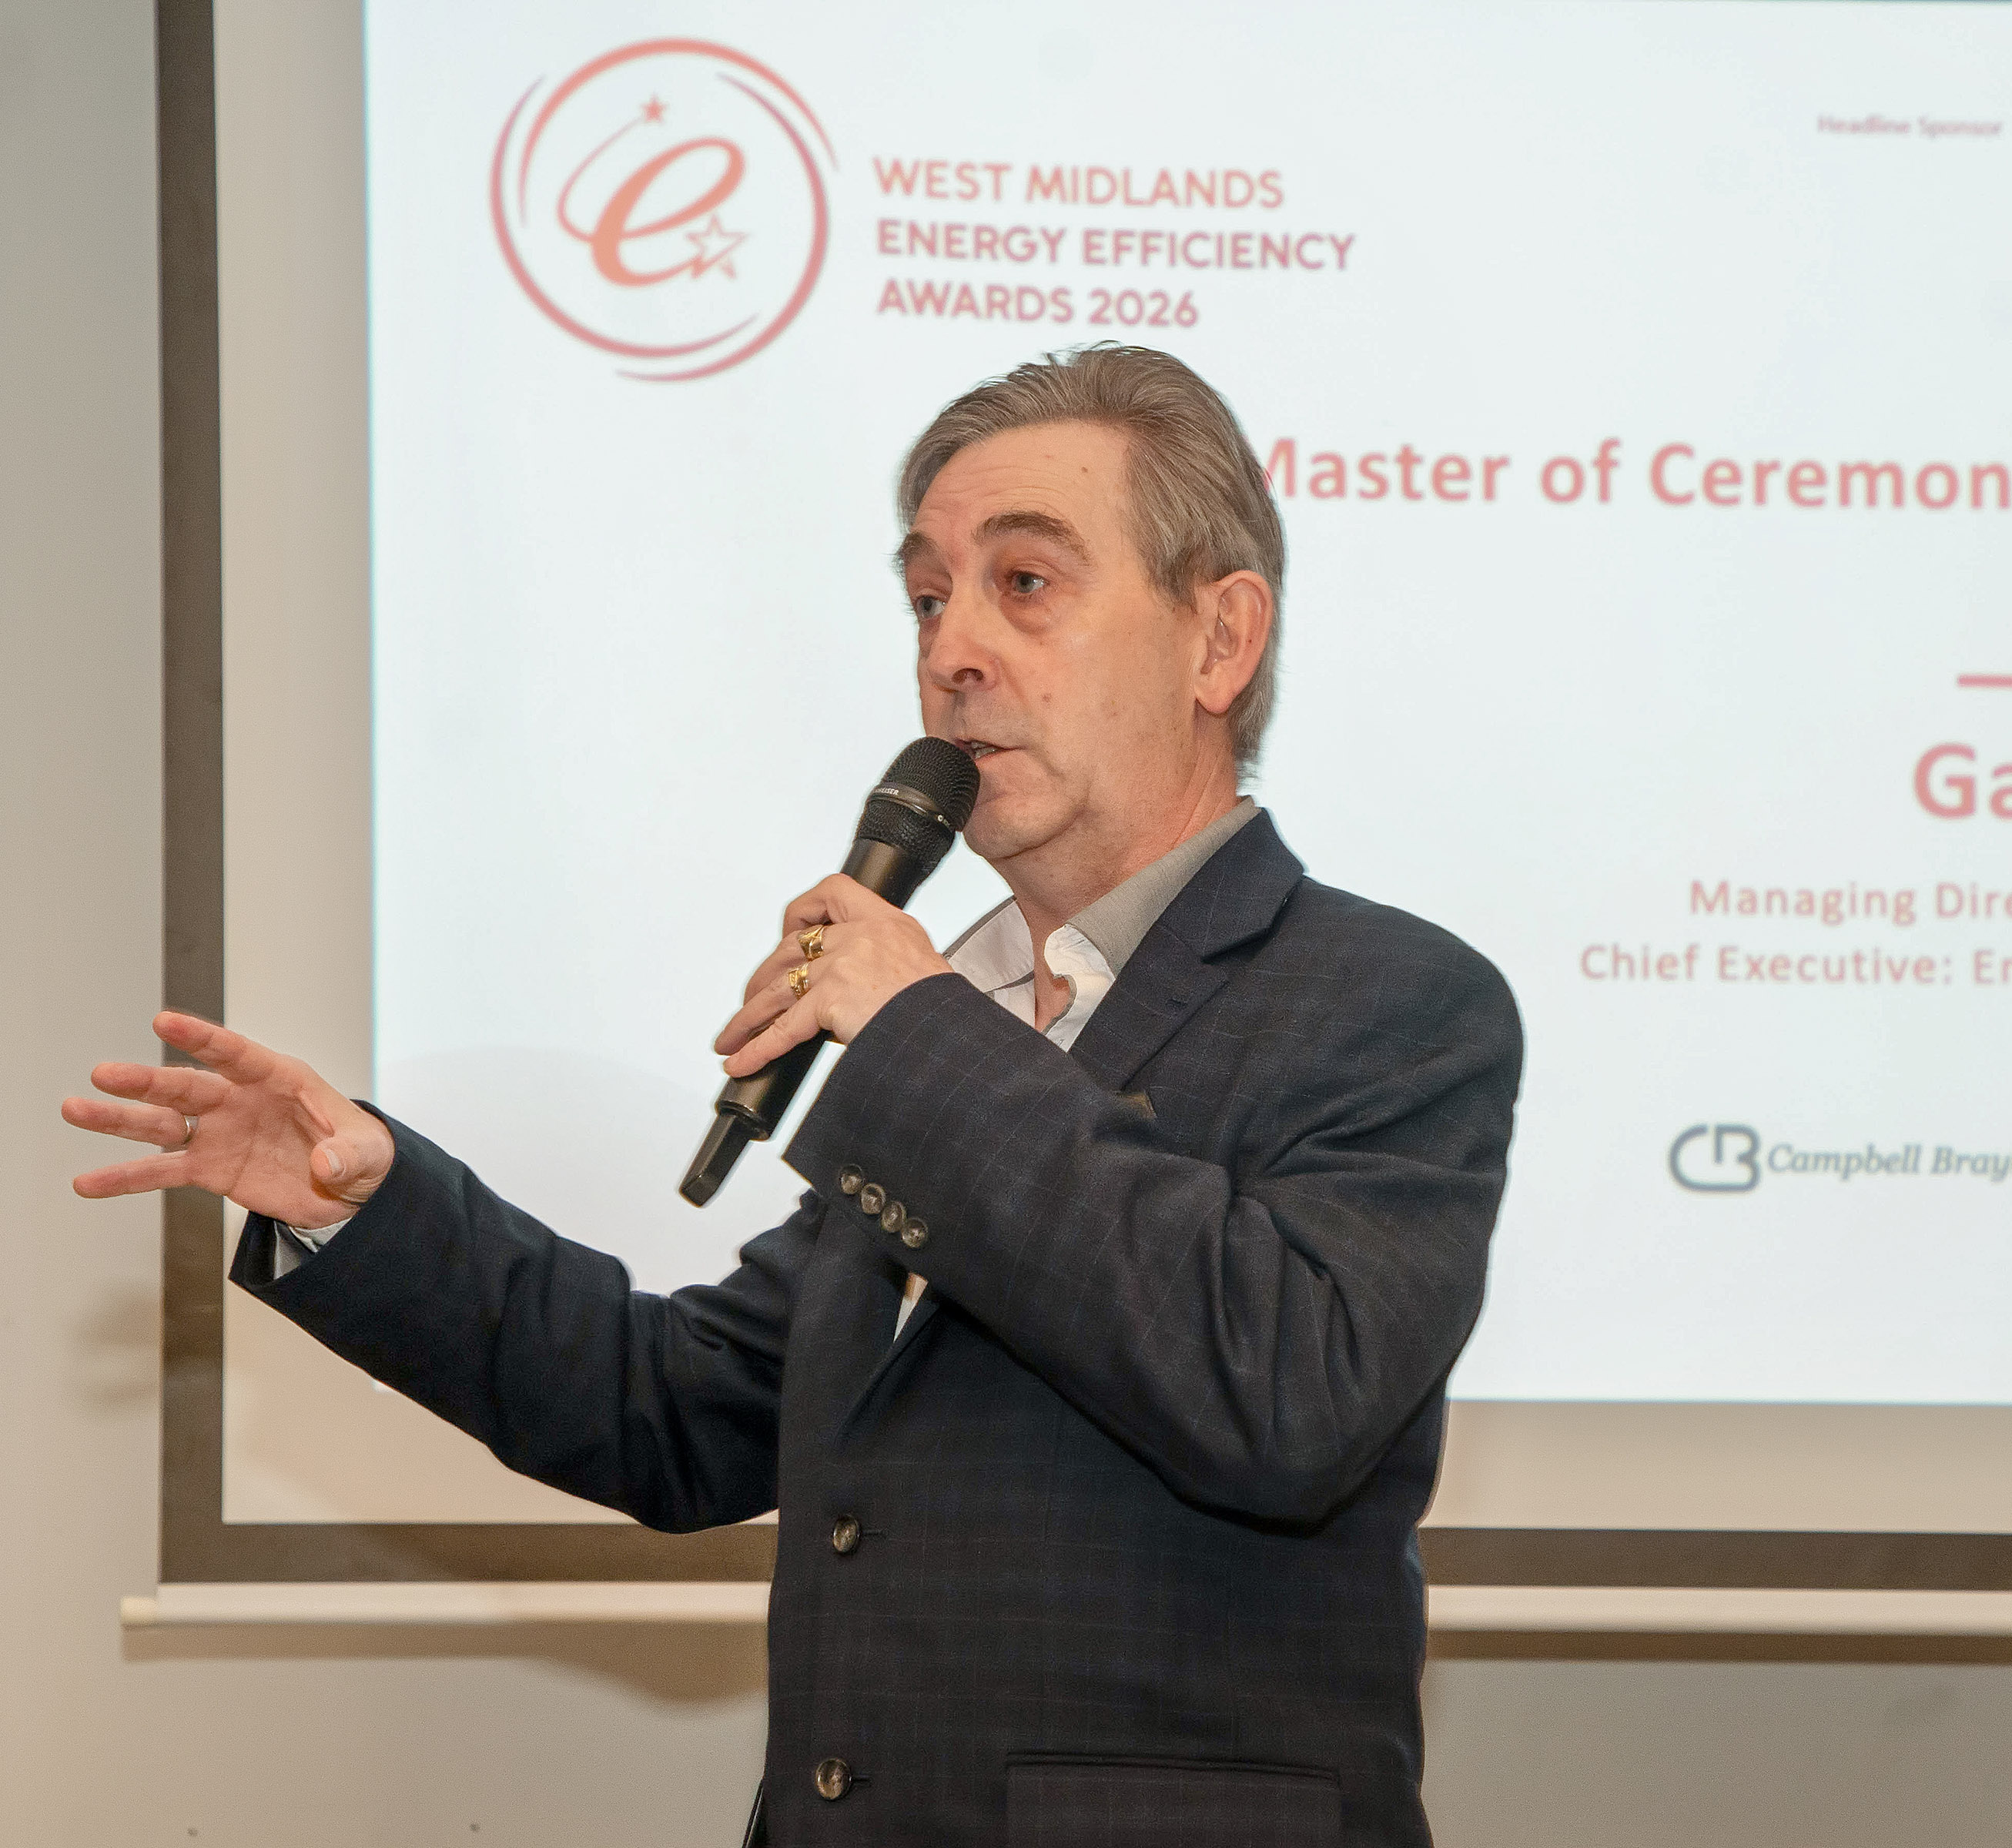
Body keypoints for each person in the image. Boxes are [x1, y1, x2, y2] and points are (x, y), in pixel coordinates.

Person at [64, 346, 1522, 1848]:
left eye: (1024, 583)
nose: (953, 650)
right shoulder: (972, 1021)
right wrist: (370, 1204)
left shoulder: (1392, 1002)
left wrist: (916, 1032)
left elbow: (1284, 1396)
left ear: (1219, 640)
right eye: (927, 598)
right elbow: (681, 1414)